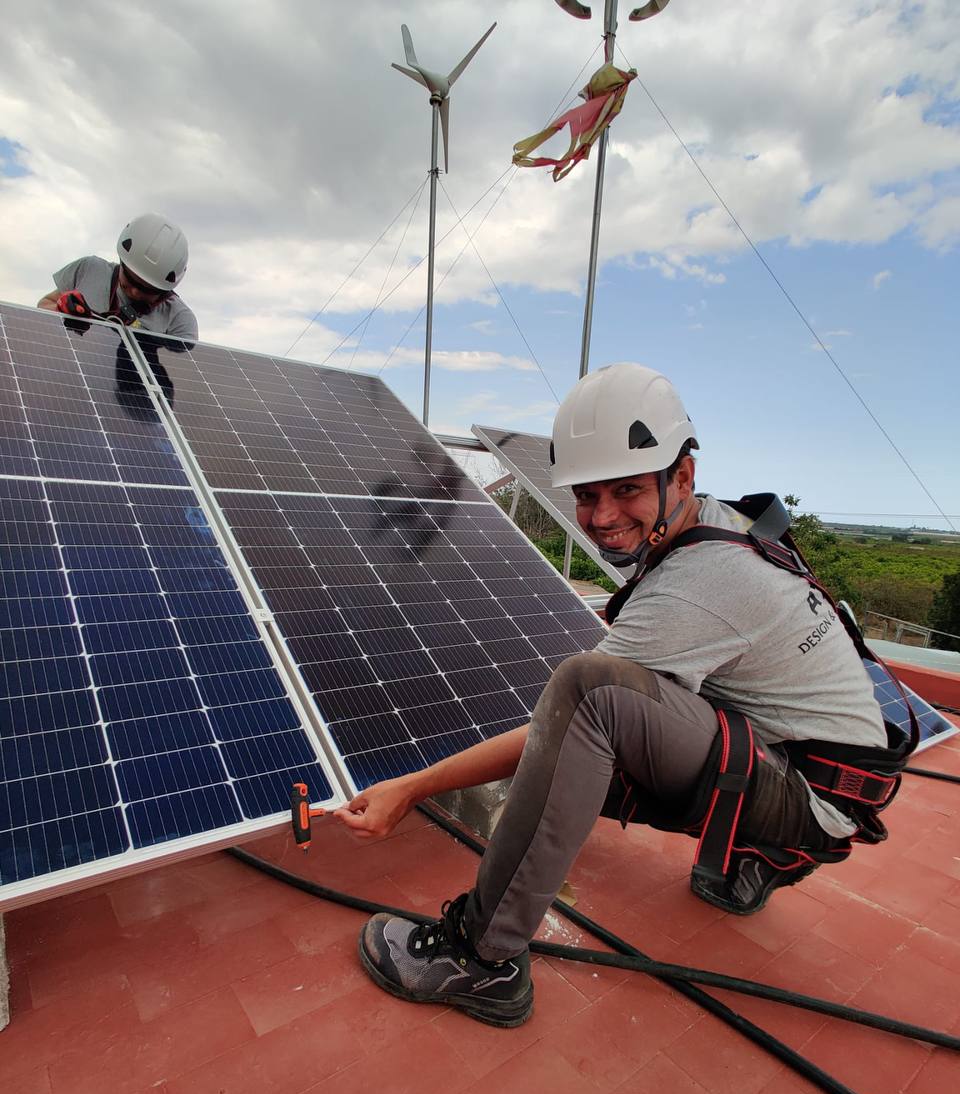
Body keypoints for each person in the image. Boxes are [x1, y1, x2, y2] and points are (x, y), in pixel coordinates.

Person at [331, 363, 908, 1029]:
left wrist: (415, 786)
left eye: (627, 490)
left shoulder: (701, 582)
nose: (602, 518)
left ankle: (483, 958)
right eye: (586, 495)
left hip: (810, 798)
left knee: (586, 695)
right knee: (585, 744)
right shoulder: (716, 522)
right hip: (826, 772)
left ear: (681, 477)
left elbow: (569, 720)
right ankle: (756, 863)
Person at [37, 213, 198, 341]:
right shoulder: (89, 269)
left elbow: (182, 376)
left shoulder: (180, 320)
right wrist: (60, 311)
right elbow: (44, 305)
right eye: (130, 280)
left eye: (147, 289)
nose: (135, 292)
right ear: (122, 262)